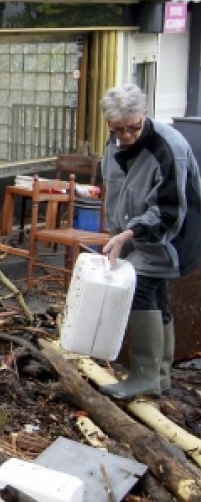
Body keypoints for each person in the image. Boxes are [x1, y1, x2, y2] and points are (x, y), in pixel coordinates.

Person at [98, 83, 201, 399]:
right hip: (134, 232)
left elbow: (169, 210)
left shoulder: (168, 148)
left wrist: (130, 233)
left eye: (133, 128)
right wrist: (119, 231)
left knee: (140, 288)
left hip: (173, 234)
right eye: (118, 130)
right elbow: (118, 188)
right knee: (156, 294)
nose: (126, 136)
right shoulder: (115, 142)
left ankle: (144, 375)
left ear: (145, 115)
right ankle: (161, 374)